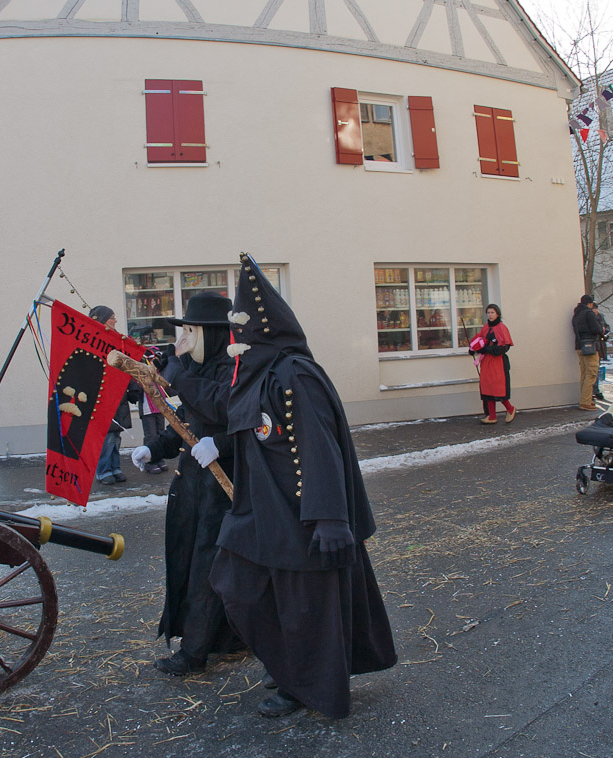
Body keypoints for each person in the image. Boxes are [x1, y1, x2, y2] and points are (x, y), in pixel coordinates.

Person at [210, 254, 396, 719]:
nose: (236, 340)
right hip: (262, 515)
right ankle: (288, 665)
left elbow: (319, 446)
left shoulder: (294, 375)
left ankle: (305, 686)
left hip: (301, 519)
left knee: (305, 611)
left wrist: (330, 518)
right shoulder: (256, 376)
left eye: (242, 330)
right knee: (237, 585)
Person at [129, 292, 240, 676]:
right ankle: (225, 640)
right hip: (192, 487)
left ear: (212, 333)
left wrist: (221, 443)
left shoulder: (235, 369)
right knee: (189, 561)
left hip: (222, 490)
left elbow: (233, 413)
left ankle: (194, 652)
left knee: (209, 567)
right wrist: (155, 447)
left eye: (192, 331)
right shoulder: (196, 368)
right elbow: (185, 418)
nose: (184, 339)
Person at [88, 306, 141, 486]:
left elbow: (125, 366)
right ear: (102, 320)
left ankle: (115, 467)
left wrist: (133, 388)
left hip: (119, 396)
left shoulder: (117, 341)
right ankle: (103, 471)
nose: (115, 320)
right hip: (103, 396)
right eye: (112, 317)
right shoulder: (94, 342)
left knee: (116, 436)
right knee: (107, 437)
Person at [475, 303, 518, 423]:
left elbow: (504, 347)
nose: (490, 315)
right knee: (487, 388)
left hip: (498, 363)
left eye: (492, 312)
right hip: (486, 362)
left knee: (498, 388)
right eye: (488, 312)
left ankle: (510, 409)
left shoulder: (501, 328)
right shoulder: (485, 327)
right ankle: (492, 416)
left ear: (497, 314)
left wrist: (487, 349)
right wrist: (474, 348)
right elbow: (480, 341)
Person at [572, 295, 601, 411]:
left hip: (579, 346)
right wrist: (601, 329)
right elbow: (596, 329)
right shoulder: (589, 313)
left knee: (584, 374)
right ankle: (585, 402)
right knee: (591, 374)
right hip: (590, 347)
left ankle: (585, 399)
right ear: (590, 304)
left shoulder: (576, 314)